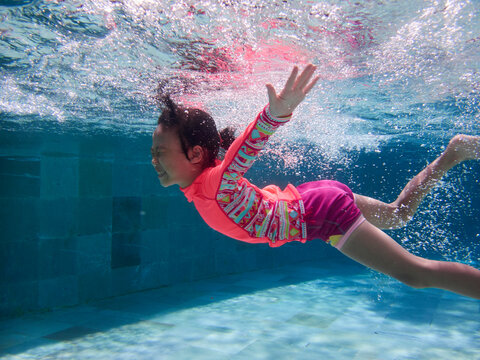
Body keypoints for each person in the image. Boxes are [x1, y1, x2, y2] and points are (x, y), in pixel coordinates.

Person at [151, 64, 480, 299]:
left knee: (415, 274)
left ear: (195, 154)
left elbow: (243, 152)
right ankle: (453, 153)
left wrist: (273, 115)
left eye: (160, 152)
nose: (154, 161)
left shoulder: (213, 183)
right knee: (398, 214)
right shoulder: (202, 187)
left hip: (320, 214)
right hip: (312, 199)